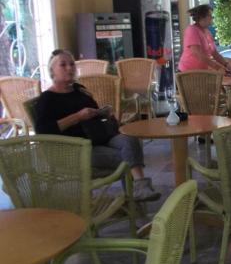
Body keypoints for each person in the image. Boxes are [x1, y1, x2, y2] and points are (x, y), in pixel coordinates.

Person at [33, 50, 160, 202]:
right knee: (126, 157)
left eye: (72, 64)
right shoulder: (47, 99)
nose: (69, 68)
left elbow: (93, 111)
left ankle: (140, 188)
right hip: (77, 149)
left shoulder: (79, 90)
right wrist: (78, 116)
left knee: (131, 140)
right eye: (63, 65)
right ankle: (136, 195)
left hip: (99, 136)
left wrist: (101, 112)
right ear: (52, 71)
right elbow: (43, 130)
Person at [178, 5, 231, 74]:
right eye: (210, 15)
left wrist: (226, 65)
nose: (212, 17)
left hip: (201, 72)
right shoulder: (192, 30)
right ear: (202, 17)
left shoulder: (207, 32)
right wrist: (219, 68)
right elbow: (198, 54)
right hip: (188, 72)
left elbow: (214, 53)